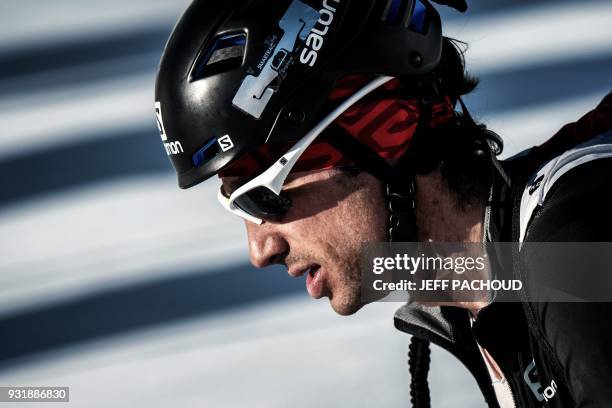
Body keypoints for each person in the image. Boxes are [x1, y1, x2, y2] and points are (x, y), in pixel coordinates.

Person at [154, 0, 612, 406]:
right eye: (233, 204)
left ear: (383, 131)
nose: (259, 250)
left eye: (263, 196)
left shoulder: (572, 254)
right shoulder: (489, 288)